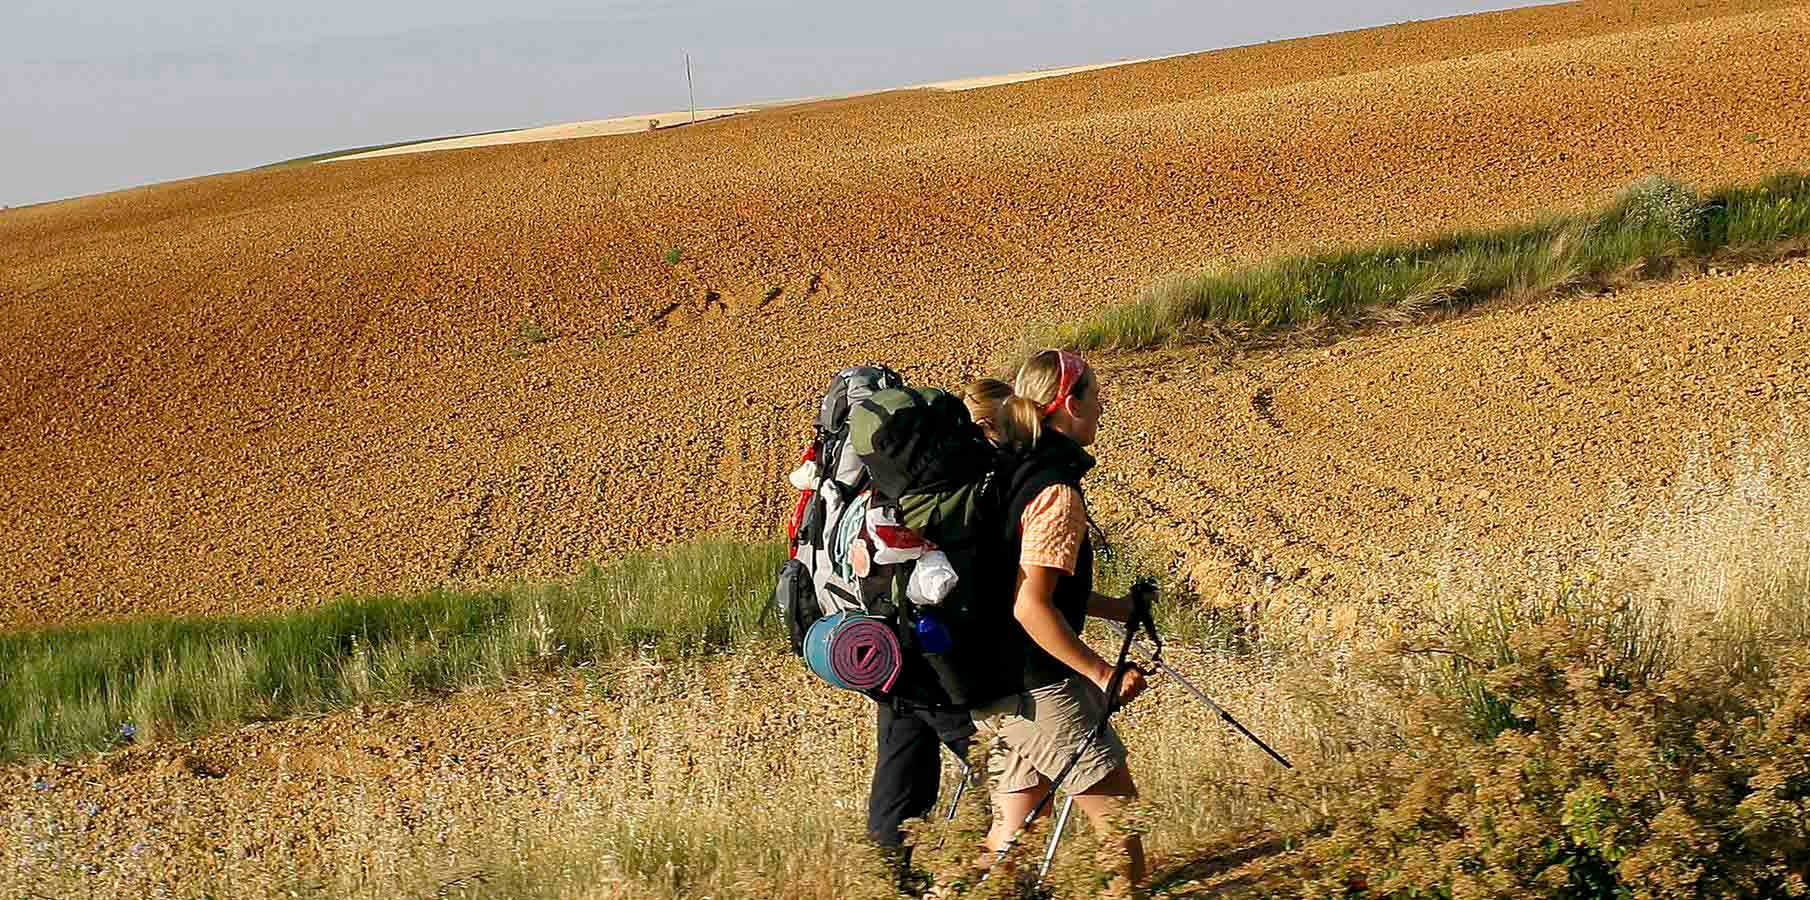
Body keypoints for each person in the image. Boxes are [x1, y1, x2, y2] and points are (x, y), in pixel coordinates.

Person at [969, 349, 1151, 885]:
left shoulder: (1013, 469)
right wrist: (1102, 673)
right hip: (1040, 688)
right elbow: (1031, 604)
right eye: (1095, 394)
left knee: (1011, 838)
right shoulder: (1055, 490)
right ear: (1069, 403)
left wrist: (1116, 610)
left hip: (996, 679)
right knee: (1120, 823)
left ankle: (950, 888)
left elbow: (1029, 581)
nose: (1103, 406)